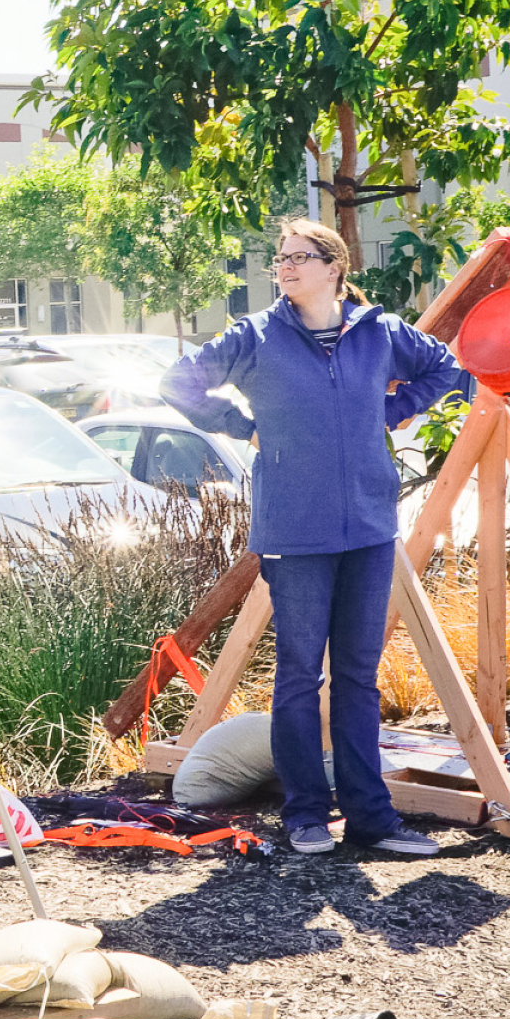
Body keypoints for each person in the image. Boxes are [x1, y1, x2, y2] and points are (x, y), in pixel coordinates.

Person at [163, 218, 466, 859]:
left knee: (357, 677)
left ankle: (371, 819)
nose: (286, 267)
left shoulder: (378, 331)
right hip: (294, 531)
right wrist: (242, 424)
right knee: (299, 676)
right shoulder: (256, 334)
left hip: (369, 527)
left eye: (301, 257)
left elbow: (445, 367)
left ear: (335, 268)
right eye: (280, 258)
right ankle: (304, 816)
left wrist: (385, 414)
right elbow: (179, 381)